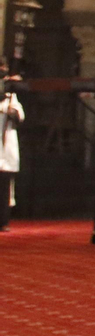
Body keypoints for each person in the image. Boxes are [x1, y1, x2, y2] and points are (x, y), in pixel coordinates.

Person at [0, 65, 23, 231]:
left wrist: (12, 113)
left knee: (4, 187)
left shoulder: (11, 98)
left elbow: (19, 115)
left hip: (5, 146)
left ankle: (3, 221)